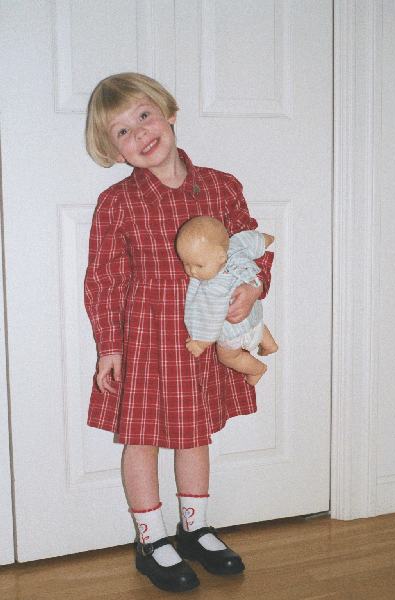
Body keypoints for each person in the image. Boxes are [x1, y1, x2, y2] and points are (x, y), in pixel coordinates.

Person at [84, 72, 274, 593]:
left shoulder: (220, 186)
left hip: (205, 338)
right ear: (114, 151)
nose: (140, 133)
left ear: (168, 112)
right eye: (122, 131)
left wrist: (252, 288)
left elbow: (252, 247)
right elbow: (103, 279)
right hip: (147, 339)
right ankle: (151, 539)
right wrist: (109, 346)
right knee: (142, 438)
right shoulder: (117, 203)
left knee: (195, 432)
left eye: (144, 116)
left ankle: (196, 529)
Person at [176, 216, 278, 386]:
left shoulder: (213, 288)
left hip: (233, 330)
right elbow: (253, 241)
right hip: (254, 314)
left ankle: (257, 369)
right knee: (256, 323)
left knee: (228, 357)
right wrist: (268, 239)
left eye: (199, 265)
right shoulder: (235, 248)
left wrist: (201, 343)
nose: (192, 271)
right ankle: (269, 343)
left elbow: (212, 319)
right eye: (186, 264)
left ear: (220, 256)